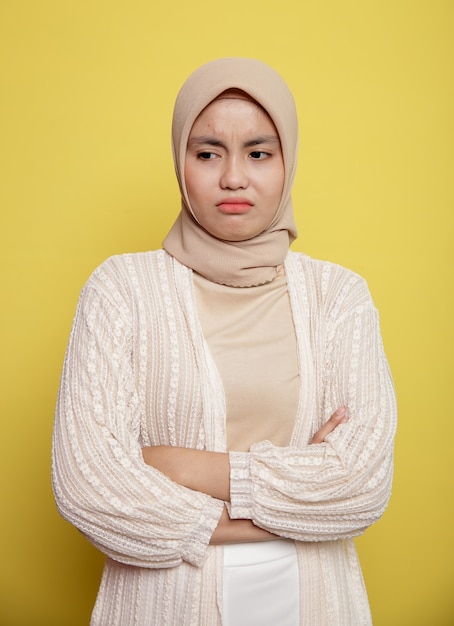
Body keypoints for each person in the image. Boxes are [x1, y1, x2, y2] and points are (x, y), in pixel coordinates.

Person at [52, 57, 397, 626]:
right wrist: (296, 499)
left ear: (288, 161)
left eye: (258, 153)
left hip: (312, 603)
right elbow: (90, 487)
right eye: (207, 153)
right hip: (161, 606)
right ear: (180, 162)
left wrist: (174, 465)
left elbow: (360, 487)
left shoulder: (339, 296)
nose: (233, 177)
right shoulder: (121, 291)